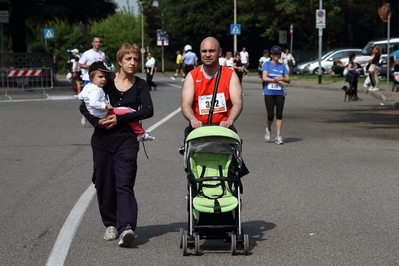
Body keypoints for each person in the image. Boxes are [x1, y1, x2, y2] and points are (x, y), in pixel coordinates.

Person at [79, 43, 154, 247]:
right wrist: (97, 122)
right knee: (103, 183)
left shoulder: (140, 85)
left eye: (136, 59)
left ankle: (126, 226)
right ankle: (110, 223)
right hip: (102, 140)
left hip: (127, 140)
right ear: (119, 61)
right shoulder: (106, 81)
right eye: (128, 59)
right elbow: (83, 105)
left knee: (124, 181)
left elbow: (148, 110)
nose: (133, 63)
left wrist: (121, 119)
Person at [181, 36, 249, 177]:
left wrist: (229, 120)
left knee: (231, 170)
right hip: (199, 129)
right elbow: (186, 104)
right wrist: (193, 119)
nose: (207, 54)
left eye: (211, 51)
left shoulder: (230, 75)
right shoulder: (192, 76)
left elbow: (238, 103)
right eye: (204, 51)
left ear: (219, 52)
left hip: (223, 129)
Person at [78, 61, 155, 141]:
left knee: (127, 113)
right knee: (128, 112)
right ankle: (141, 134)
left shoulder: (87, 87)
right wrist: (105, 106)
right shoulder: (96, 89)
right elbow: (93, 103)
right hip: (104, 114)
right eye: (100, 77)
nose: (104, 79)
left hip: (98, 117)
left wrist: (88, 101)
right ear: (91, 77)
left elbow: (80, 97)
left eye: (106, 77)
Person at [261, 45, 290, 145]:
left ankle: (278, 136)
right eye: (274, 54)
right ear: (271, 55)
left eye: (278, 53)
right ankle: (268, 129)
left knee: (279, 114)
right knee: (270, 115)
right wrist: (274, 80)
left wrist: (281, 79)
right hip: (269, 92)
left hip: (280, 93)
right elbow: (264, 78)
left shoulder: (282, 66)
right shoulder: (267, 64)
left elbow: (288, 79)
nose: (276, 55)